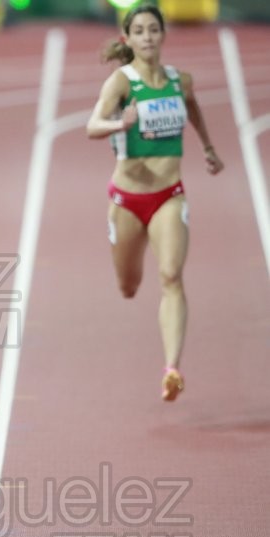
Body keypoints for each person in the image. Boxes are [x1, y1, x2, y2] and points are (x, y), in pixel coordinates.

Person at [86, 4, 223, 402]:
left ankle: (172, 369)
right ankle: (131, 280)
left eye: (154, 30)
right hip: (127, 200)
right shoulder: (121, 83)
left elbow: (193, 106)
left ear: (163, 35)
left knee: (171, 277)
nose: (148, 36)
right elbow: (92, 126)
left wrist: (209, 147)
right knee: (129, 286)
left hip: (168, 195)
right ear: (129, 39)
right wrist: (119, 124)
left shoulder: (181, 81)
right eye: (140, 31)